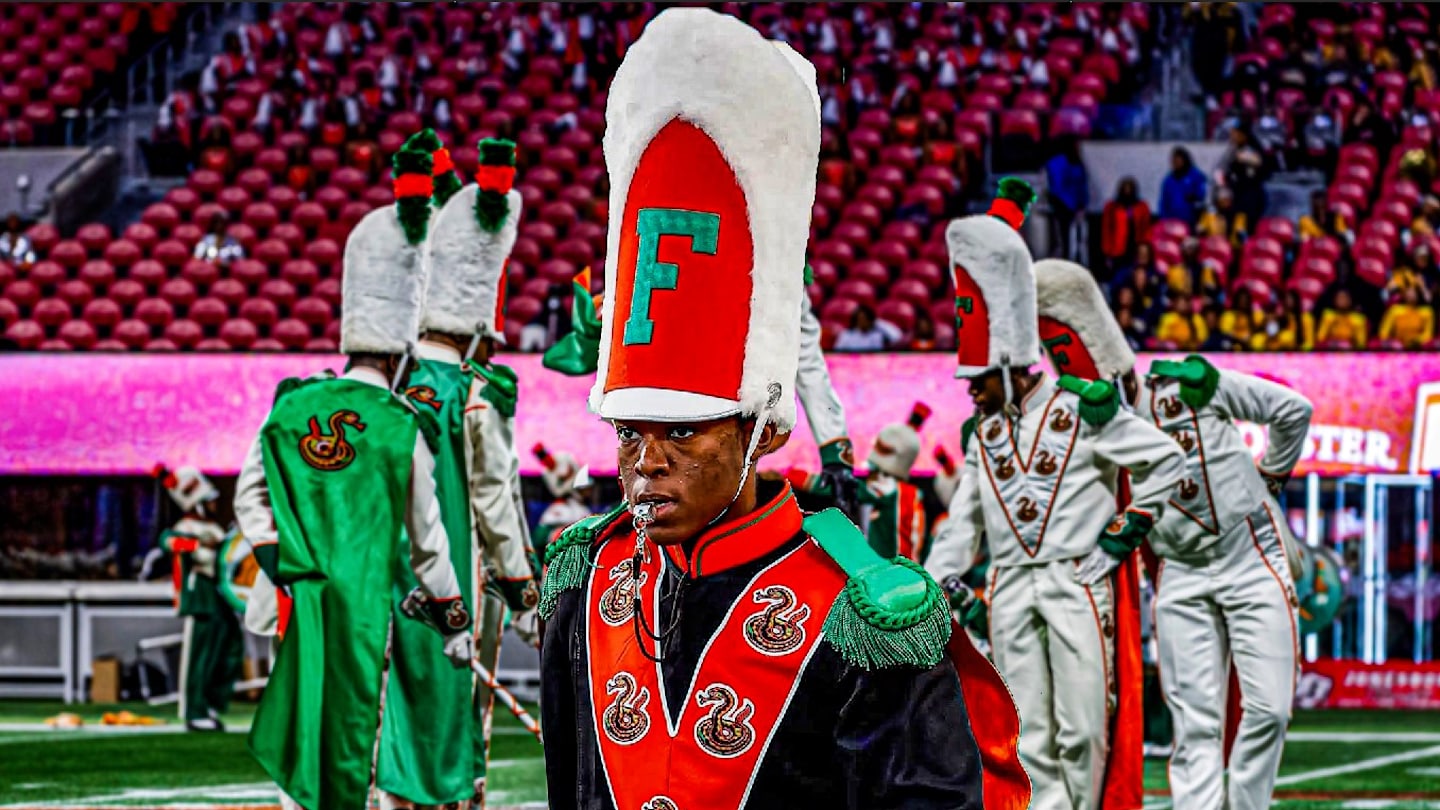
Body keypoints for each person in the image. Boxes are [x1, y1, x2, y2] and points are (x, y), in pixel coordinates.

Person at [538, 12, 1030, 808]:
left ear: (762, 430)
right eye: (630, 432)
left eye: (684, 429)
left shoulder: (867, 615)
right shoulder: (583, 580)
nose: (647, 462)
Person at [927, 185, 1184, 810]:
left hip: (1077, 579)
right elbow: (962, 525)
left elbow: (1165, 459)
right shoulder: (984, 433)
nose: (971, 392)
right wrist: (932, 586)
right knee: (1027, 734)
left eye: (978, 379)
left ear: (1010, 366)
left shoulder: (1081, 407)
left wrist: (1122, 534)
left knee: (1084, 730)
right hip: (1011, 584)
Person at [234, 146, 472, 810]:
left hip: (298, 598)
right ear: (401, 356)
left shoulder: (292, 405)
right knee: (357, 744)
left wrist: (281, 562)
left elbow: (249, 494)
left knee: (304, 733)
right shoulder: (399, 426)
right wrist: (453, 617)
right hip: (367, 606)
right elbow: (427, 540)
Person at [1033, 265, 1311, 810]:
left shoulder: (1188, 385)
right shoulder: (1088, 433)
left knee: (1270, 710)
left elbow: (1292, 410)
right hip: (1179, 570)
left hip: (1250, 552)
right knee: (1194, 722)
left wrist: (1273, 475)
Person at [374, 136, 539, 810]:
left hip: (388, 576)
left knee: (394, 713)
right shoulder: (476, 388)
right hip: (457, 580)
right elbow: (494, 499)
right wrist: (523, 592)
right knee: (453, 729)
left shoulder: (389, 383)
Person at [154, 465, 242, 732]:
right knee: (198, 655)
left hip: (218, 595)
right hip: (200, 593)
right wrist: (199, 545)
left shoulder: (213, 527)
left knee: (230, 646)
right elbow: (167, 541)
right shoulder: (187, 527)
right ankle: (194, 710)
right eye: (209, 500)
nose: (215, 504)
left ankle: (213, 701)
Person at [788, 403, 933, 562]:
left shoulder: (886, 488)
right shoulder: (913, 494)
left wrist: (793, 475)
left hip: (892, 566)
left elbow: (837, 486)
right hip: (908, 566)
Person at [530, 443, 596, 559]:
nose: (588, 492)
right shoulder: (546, 474)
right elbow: (557, 492)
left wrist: (573, 480)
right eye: (541, 457)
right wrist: (569, 482)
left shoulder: (564, 457)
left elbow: (577, 470)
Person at [1045, 136, 1089, 261]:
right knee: (1062, 239)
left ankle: (1075, 260)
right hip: (1061, 204)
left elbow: (1082, 183)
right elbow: (1058, 186)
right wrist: (1069, 204)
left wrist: (1082, 203)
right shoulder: (1057, 162)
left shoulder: (1077, 161)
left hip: (1075, 205)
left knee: (1078, 238)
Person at [1101, 177, 1153, 276]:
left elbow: (1146, 227)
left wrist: (1145, 246)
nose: (1127, 192)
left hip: (1136, 245)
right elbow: (1107, 230)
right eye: (1125, 189)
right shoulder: (1112, 207)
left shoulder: (1142, 206)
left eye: (1129, 189)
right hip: (1118, 248)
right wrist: (1107, 251)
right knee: (1118, 274)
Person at [1159, 146, 1208, 227]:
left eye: (1178, 160)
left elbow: (1203, 194)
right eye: (1174, 161)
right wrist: (1164, 220)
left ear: (1184, 160)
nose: (1176, 163)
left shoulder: (1195, 175)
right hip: (1172, 222)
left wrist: (1194, 196)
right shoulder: (1168, 180)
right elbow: (1163, 202)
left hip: (1191, 220)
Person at [834, 303, 903, 350]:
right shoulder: (847, 334)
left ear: (871, 320)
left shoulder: (877, 334)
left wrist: (877, 321)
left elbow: (896, 336)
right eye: (859, 319)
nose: (862, 322)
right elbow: (838, 351)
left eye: (865, 319)